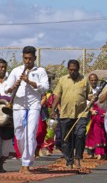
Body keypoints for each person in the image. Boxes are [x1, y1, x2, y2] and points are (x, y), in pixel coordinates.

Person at [5, 46, 49, 174]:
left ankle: (26, 163)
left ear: (35, 58)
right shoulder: (16, 71)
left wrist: (29, 82)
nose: (27, 61)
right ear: (22, 58)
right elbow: (6, 88)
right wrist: (14, 86)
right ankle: (24, 159)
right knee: (19, 134)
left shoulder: (40, 71)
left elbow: (45, 88)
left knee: (30, 134)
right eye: (25, 58)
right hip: (18, 106)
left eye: (30, 58)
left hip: (34, 106)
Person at [51, 59, 92, 169]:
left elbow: (89, 95)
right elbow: (57, 96)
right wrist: (53, 110)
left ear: (78, 69)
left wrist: (93, 98)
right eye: (70, 70)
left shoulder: (84, 80)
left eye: (75, 70)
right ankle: (69, 161)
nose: (72, 72)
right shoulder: (62, 80)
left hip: (81, 114)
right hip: (65, 113)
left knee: (80, 135)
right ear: (68, 69)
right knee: (66, 139)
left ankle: (78, 158)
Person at [85, 73, 107, 160]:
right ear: (89, 81)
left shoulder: (101, 90)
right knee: (88, 133)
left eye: (95, 80)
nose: (93, 82)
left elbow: (103, 101)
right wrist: (90, 110)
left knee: (98, 132)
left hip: (98, 114)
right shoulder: (86, 90)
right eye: (92, 80)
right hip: (88, 113)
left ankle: (100, 151)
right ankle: (90, 152)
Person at [0, 58, 15, 173]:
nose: (2, 69)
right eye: (0, 67)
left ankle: (1, 163)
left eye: (4, 67)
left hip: (8, 115)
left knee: (6, 142)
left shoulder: (10, 81)